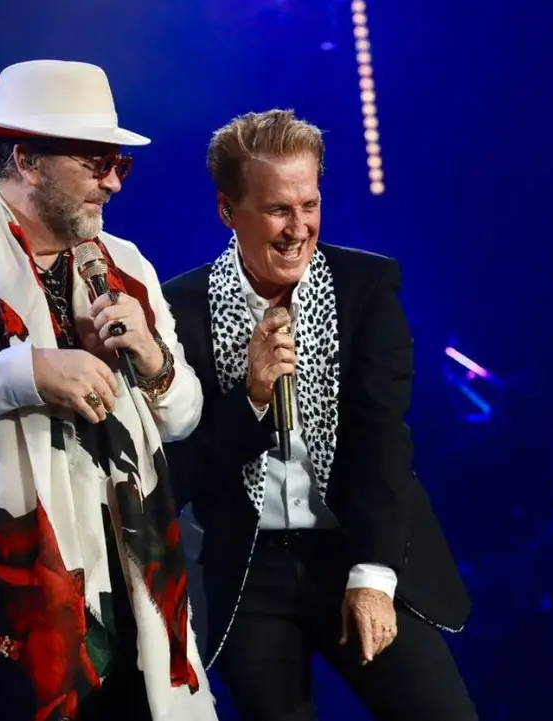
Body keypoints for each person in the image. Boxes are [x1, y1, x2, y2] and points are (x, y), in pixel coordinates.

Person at [0, 60, 217, 721]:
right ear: (26, 158)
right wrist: (30, 374)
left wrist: (152, 355)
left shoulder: (127, 265)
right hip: (13, 615)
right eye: (96, 161)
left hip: (134, 601)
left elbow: (183, 413)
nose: (113, 181)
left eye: (121, 164)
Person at [161, 109, 477, 720]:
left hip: (356, 548)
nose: (297, 229)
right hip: (246, 573)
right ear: (229, 211)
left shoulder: (366, 287)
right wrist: (250, 399)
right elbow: (175, 477)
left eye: (309, 204)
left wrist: (374, 575)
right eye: (279, 209)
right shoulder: (178, 308)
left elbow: (383, 443)